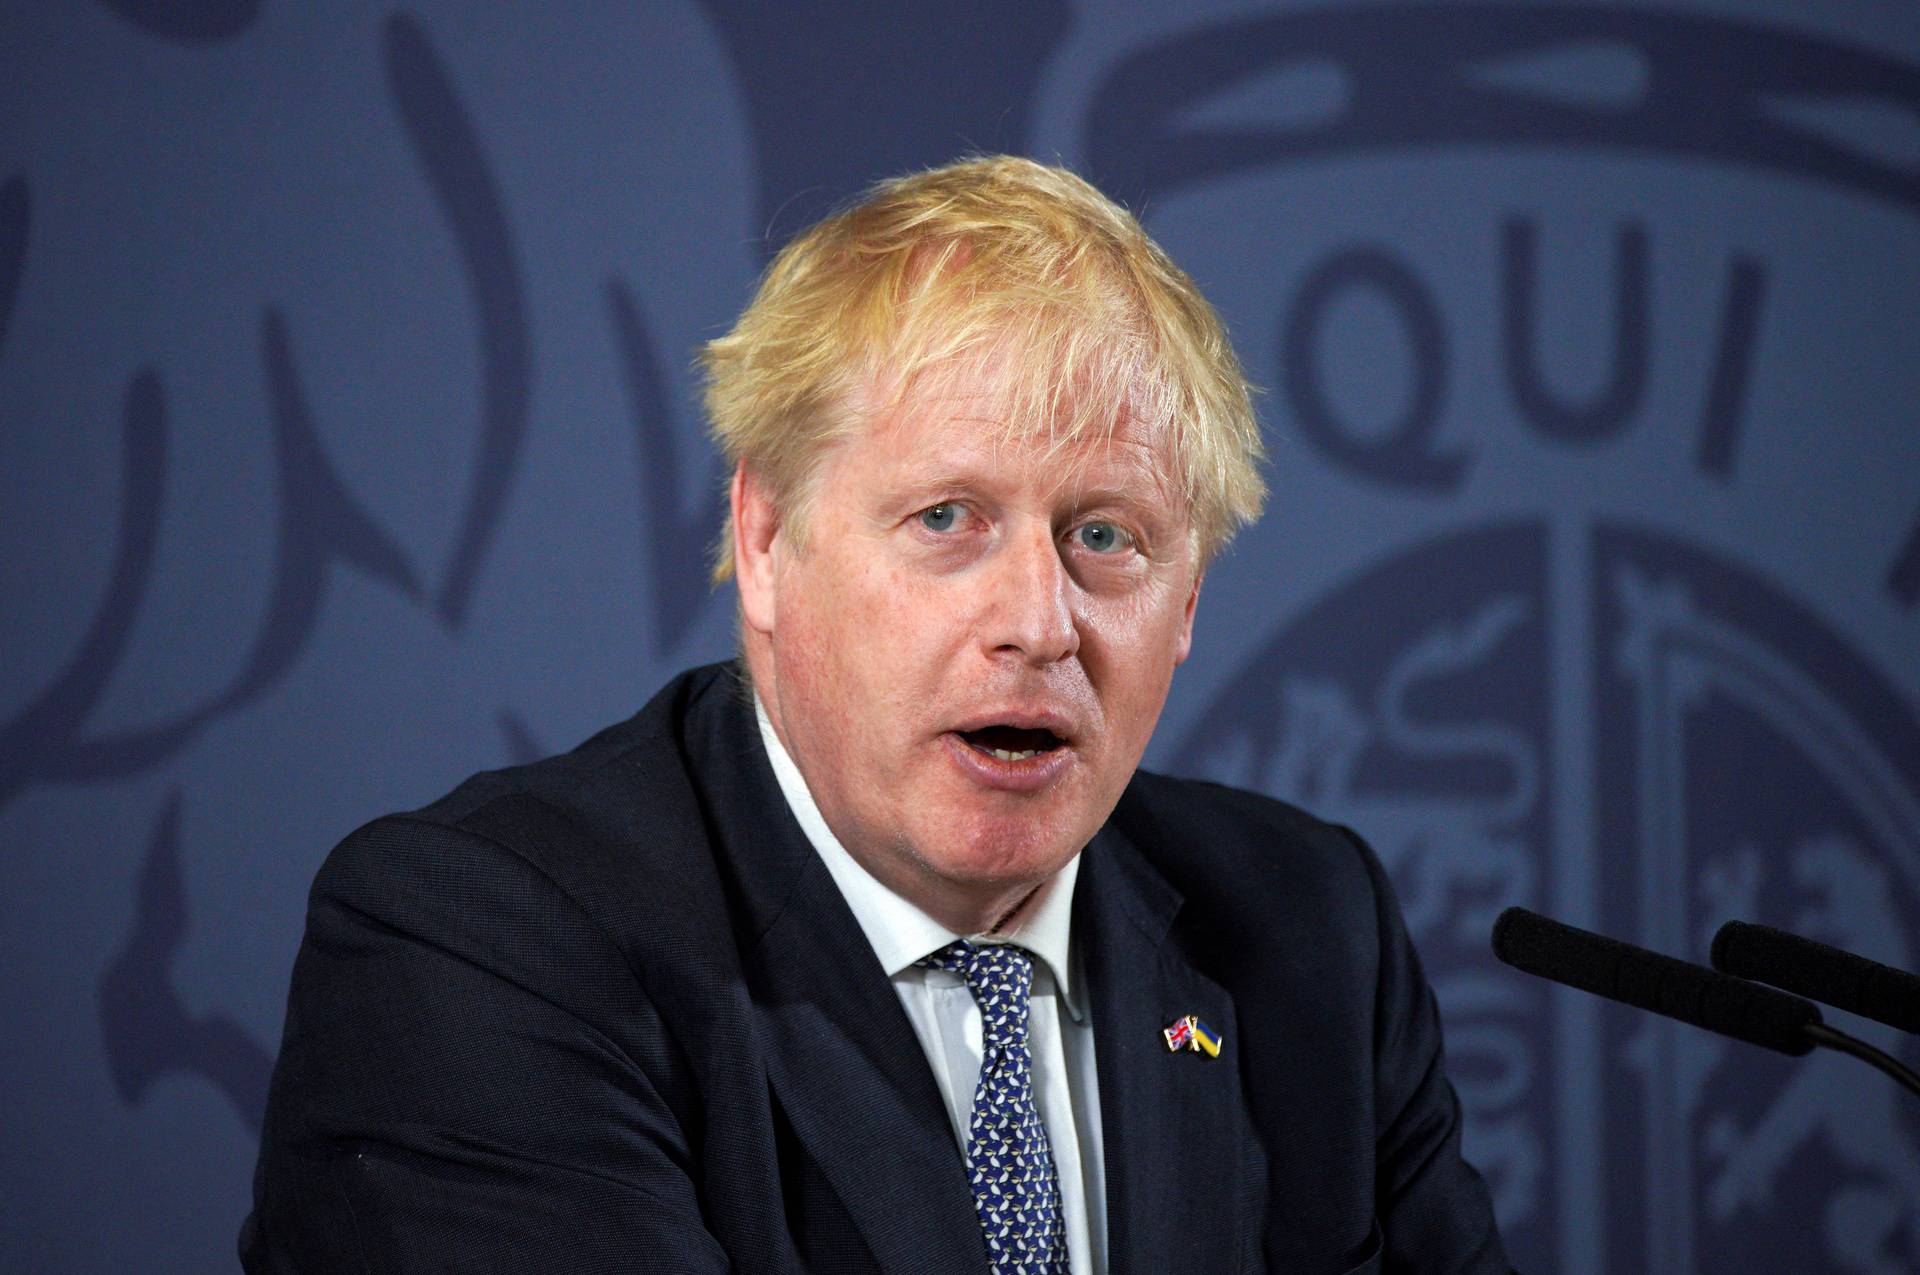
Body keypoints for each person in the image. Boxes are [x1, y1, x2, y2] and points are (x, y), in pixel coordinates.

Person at [241, 156, 1509, 1274]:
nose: (1040, 622)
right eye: (947, 520)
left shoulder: (1305, 931)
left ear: (1188, 605)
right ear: (767, 539)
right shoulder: (480, 947)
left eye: (1105, 536)